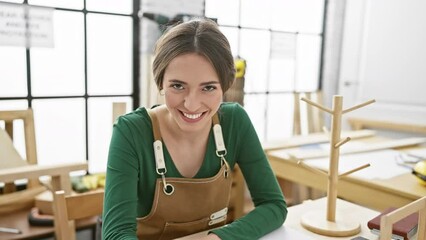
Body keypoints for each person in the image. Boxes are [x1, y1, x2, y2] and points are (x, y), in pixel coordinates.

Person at [102, 17, 287, 240]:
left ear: (225, 86)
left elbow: (274, 205)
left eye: (208, 88)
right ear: (161, 82)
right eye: (178, 86)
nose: (191, 104)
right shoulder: (131, 131)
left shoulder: (235, 122)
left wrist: (219, 237)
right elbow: (115, 234)